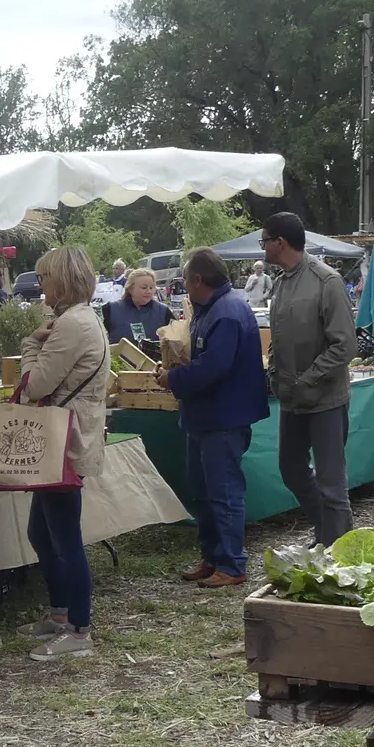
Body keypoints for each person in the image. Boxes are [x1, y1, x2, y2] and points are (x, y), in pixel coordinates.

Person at [15, 245, 111, 662]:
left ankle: (78, 629)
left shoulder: (71, 324)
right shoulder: (81, 319)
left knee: (65, 538)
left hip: (62, 445)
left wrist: (29, 345)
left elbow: (34, 385)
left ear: (64, 280)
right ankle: (60, 615)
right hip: (64, 441)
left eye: (45, 277)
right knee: (43, 533)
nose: (41, 285)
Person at [159, 250, 268, 588]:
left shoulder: (228, 313)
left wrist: (173, 379)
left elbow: (215, 366)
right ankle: (213, 556)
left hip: (223, 418)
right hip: (203, 416)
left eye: (185, 280)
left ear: (197, 281)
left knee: (223, 492)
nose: (184, 287)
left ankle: (232, 565)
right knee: (202, 491)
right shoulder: (210, 309)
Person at [262, 212, 357, 545]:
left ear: (280, 243)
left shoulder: (326, 281)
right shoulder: (281, 282)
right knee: (291, 469)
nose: (263, 247)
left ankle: (338, 550)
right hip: (292, 399)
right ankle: (330, 530)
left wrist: (308, 378)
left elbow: (345, 345)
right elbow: (278, 335)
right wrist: (275, 370)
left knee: (332, 482)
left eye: (265, 241)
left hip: (326, 398)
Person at [105, 268, 170, 345]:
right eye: (144, 287)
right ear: (130, 289)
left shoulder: (163, 311)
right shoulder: (111, 309)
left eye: (151, 287)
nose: (148, 291)